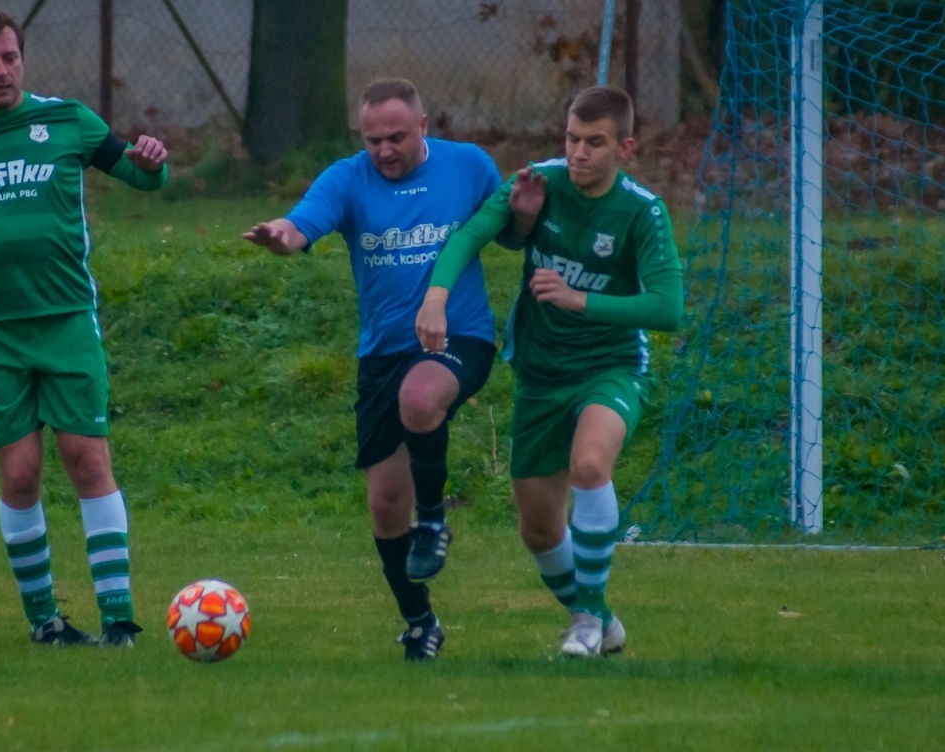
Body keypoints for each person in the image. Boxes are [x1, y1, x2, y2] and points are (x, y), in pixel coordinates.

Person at [0, 8, 168, 648]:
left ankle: (118, 620)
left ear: (22, 59)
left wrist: (153, 162)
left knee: (87, 458)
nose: (1, 70)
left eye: (10, 57)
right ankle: (46, 622)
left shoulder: (68, 120)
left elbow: (139, 175)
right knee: (20, 472)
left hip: (67, 319)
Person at [418, 85, 683, 657]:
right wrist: (436, 297)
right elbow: (470, 235)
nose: (578, 153)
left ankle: (585, 621)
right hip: (540, 372)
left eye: (595, 142)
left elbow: (668, 308)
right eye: (571, 138)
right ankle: (601, 621)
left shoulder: (642, 211)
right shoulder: (537, 183)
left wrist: (578, 299)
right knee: (538, 529)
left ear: (625, 148)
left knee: (590, 465)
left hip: (611, 366)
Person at [244, 79, 504, 660]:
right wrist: (281, 236)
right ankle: (419, 621)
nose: (384, 150)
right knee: (386, 505)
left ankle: (434, 520)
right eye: (373, 140)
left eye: (396, 138)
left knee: (420, 397)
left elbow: (509, 229)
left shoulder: (469, 167)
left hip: (459, 335)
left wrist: (529, 213)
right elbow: (303, 223)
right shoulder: (348, 178)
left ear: (424, 126)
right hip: (383, 353)